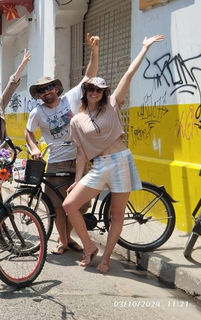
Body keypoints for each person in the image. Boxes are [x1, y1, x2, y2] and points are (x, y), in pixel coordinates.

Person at [63, 35, 165, 273]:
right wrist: (77, 179)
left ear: (104, 92)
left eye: (99, 89)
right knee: (70, 205)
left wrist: (144, 47)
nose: (95, 92)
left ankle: (106, 258)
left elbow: (128, 74)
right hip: (98, 166)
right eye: (91, 89)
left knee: (116, 214)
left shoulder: (112, 105)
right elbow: (80, 153)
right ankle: (90, 248)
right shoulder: (76, 120)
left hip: (121, 162)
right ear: (85, 92)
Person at [24, 33, 100, 256]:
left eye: (49, 87)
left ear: (56, 88)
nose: (46, 91)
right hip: (56, 163)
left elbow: (89, 76)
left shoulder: (71, 99)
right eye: (41, 90)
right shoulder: (37, 112)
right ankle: (64, 241)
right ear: (38, 95)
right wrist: (34, 147)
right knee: (58, 206)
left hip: (79, 158)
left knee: (79, 204)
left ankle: (68, 238)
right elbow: (28, 133)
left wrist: (94, 51)